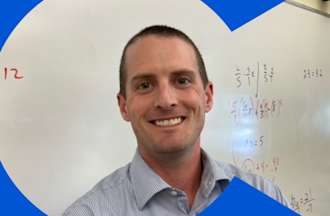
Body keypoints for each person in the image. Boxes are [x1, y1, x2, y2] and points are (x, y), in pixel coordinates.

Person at [63, 25, 289, 216]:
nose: (166, 100)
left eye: (182, 80)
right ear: (124, 106)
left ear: (208, 96)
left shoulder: (266, 198)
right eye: (145, 85)